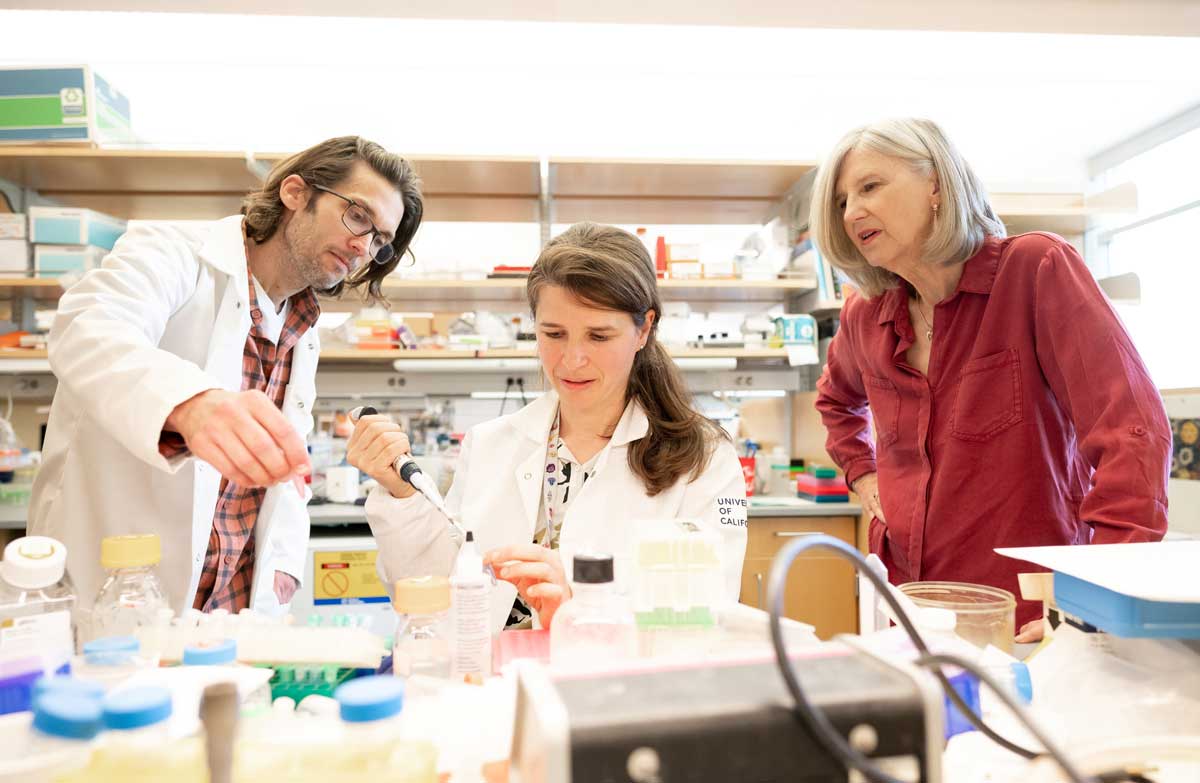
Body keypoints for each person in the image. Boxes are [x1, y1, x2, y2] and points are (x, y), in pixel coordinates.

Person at [29, 136, 423, 618]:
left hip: (232, 611)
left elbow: (285, 474)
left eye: (381, 239)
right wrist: (191, 404)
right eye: (358, 215)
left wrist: (282, 562)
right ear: (296, 193)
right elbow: (87, 327)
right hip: (119, 599)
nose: (364, 246)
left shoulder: (303, 330)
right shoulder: (173, 253)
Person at [810, 118, 1170, 639]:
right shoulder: (866, 317)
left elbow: (1133, 436)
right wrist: (864, 476)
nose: (852, 212)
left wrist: (1093, 608)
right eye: (843, 200)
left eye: (870, 186)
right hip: (908, 608)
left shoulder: (1036, 269)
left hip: (1028, 618)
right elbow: (836, 402)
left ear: (936, 184)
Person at [349, 222, 748, 631]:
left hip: (615, 680)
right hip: (493, 676)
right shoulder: (490, 444)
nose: (572, 359)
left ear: (643, 329)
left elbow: (712, 607)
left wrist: (582, 603)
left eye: (599, 336)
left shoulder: (704, 457)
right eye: (553, 333)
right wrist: (402, 494)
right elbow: (433, 589)